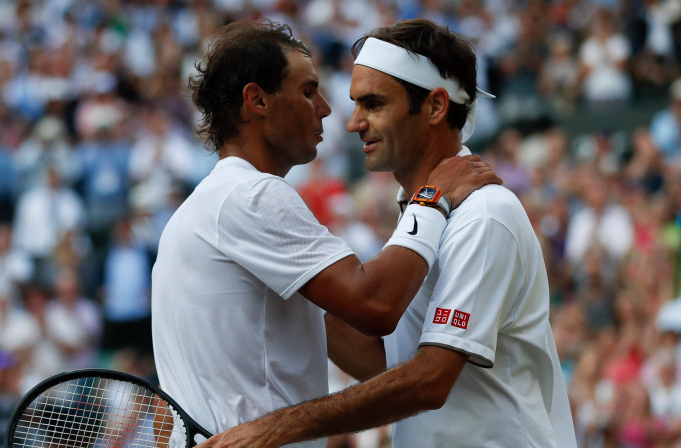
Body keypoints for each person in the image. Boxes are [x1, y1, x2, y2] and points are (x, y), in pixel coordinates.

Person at [201, 19, 576, 448]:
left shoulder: (484, 214)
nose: (352, 122)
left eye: (373, 104)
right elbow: (387, 365)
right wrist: (293, 284)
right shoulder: (424, 213)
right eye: (356, 104)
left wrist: (275, 428)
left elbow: (430, 380)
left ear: (436, 107)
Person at [150, 19, 500, 448]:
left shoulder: (204, 207)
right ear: (256, 100)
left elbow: (372, 359)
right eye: (308, 91)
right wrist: (432, 198)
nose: (329, 110)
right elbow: (375, 306)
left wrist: (434, 370)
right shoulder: (252, 195)